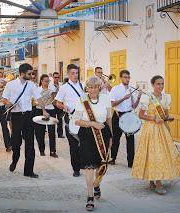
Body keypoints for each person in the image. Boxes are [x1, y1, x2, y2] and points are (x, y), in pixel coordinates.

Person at [132, 75, 180, 195]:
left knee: (161, 155)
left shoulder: (166, 97)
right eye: (158, 84)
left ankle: (154, 180)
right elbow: (140, 115)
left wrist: (168, 118)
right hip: (150, 130)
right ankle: (157, 183)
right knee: (153, 154)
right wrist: (153, 118)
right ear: (153, 85)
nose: (160, 86)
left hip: (162, 130)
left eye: (162, 84)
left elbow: (165, 115)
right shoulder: (147, 97)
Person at [74, 76, 113, 211]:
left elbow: (108, 118)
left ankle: (97, 184)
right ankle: (90, 196)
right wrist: (92, 123)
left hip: (103, 133)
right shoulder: (82, 100)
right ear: (87, 88)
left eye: (96, 87)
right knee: (89, 166)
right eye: (90, 87)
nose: (93, 89)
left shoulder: (106, 99)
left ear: (99, 88)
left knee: (100, 164)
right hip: (87, 135)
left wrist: (111, 136)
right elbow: (77, 121)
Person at [2, 63, 40, 178]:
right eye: (29, 73)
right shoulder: (11, 85)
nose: (32, 75)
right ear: (22, 73)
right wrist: (9, 103)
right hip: (16, 116)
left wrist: (44, 110)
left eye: (32, 73)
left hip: (28, 116)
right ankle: (14, 161)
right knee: (16, 143)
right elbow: (4, 99)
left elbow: (39, 98)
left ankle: (28, 171)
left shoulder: (31, 85)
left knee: (30, 144)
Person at [55, 64, 86, 177]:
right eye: (73, 73)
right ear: (68, 74)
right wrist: (64, 107)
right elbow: (58, 103)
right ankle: (76, 169)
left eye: (76, 73)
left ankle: (82, 164)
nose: (75, 75)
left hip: (82, 118)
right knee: (73, 145)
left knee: (83, 143)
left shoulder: (82, 85)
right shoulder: (64, 87)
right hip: (71, 117)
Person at [109, 70, 142, 167]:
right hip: (118, 115)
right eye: (125, 77)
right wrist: (124, 98)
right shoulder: (115, 89)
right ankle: (113, 158)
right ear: (121, 78)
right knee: (116, 138)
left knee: (130, 140)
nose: (127, 79)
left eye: (128, 77)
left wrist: (139, 97)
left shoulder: (131, 89)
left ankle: (131, 162)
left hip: (128, 116)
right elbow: (112, 104)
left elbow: (134, 106)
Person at [34, 74, 58, 158]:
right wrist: (42, 103)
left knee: (52, 132)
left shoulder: (52, 90)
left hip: (51, 110)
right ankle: (41, 150)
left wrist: (54, 99)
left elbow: (55, 101)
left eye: (48, 81)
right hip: (40, 110)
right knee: (40, 132)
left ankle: (52, 151)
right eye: (45, 81)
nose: (47, 83)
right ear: (41, 81)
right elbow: (34, 101)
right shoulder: (37, 90)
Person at [52, 72, 65, 138]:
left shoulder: (61, 85)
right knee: (53, 120)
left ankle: (60, 134)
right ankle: (52, 134)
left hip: (59, 104)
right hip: (52, 105)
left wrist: (58, 88)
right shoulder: (50, 85)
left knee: (60, 119)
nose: (56, 79)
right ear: (53, 77)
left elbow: (63, 94)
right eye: (55, 77)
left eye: (58, 77)